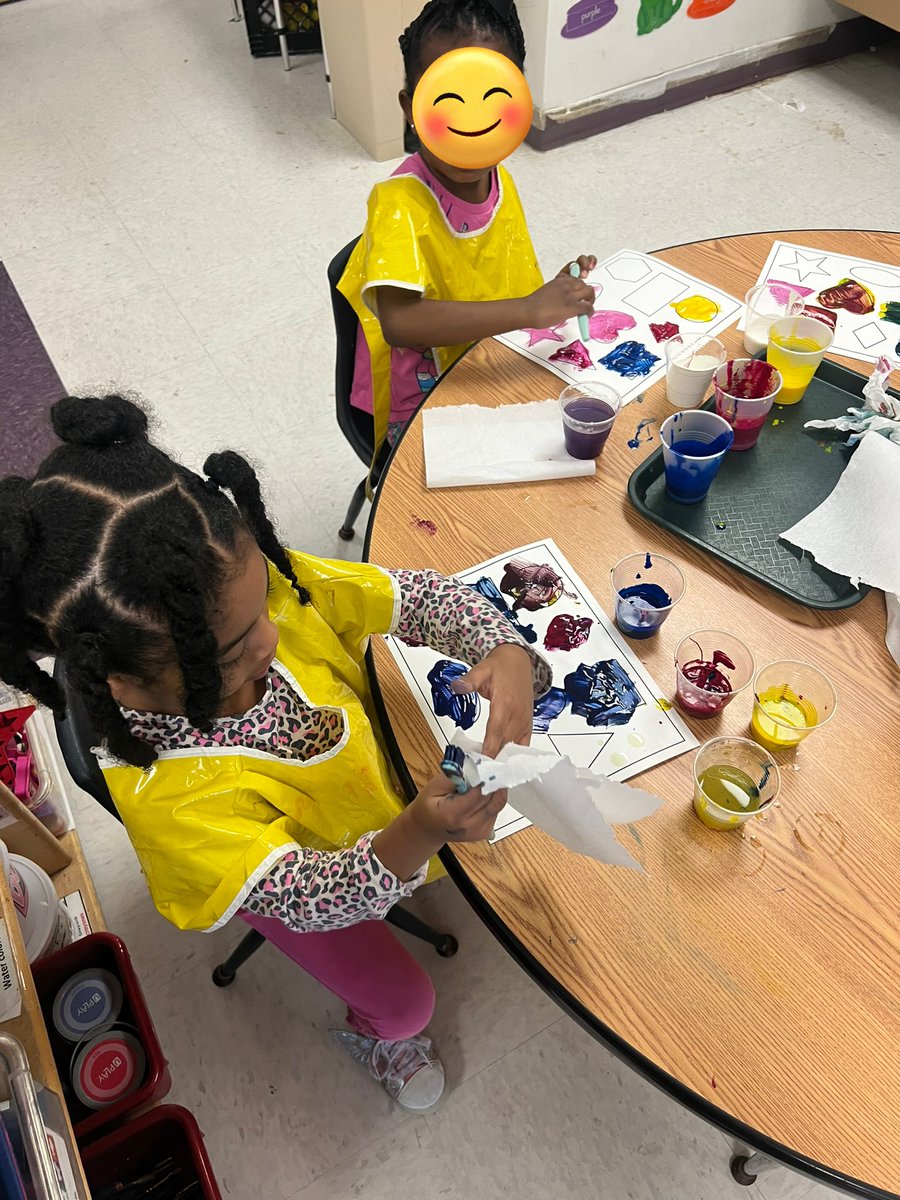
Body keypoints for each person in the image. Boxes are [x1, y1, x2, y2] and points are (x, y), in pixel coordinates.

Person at [0, 395, 551, 1111]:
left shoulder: (258, 597)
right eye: (234, 650)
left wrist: (500, 646)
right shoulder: (176, 801)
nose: (269, 638)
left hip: (362, 806)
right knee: (408, 1005)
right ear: (123, 681)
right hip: (295, 881)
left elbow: (414, 598)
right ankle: (374, 1035)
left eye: (263, 606)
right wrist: (414, 834)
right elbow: (310, 897)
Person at [340, 0, 596, 459]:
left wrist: (552, 292)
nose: (470, 129)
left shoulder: (502, 181)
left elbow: (495, 282)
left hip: (489, 361)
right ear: (410, 106)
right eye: (449, 104)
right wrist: (527, 308)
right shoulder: (397, 202)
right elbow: (399, 322)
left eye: (490, 104)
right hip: (423, 402)